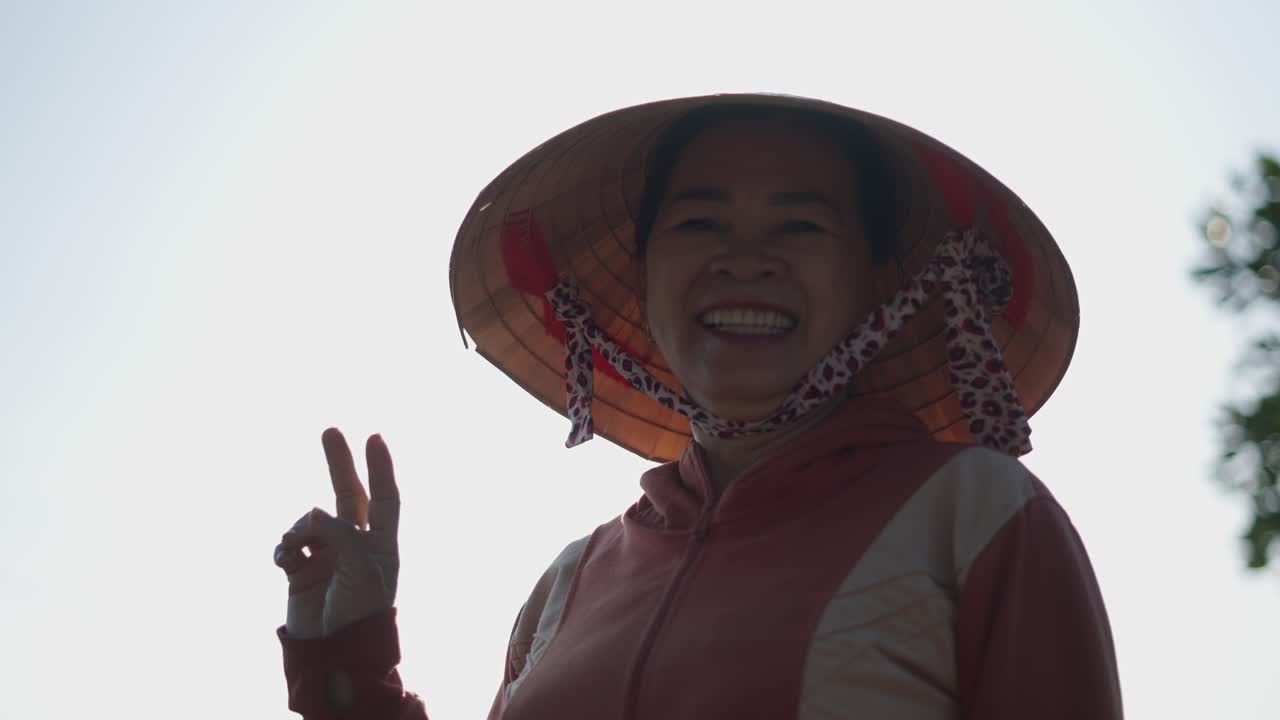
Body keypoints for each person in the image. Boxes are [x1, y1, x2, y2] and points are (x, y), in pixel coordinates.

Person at [272, 94, 1123, 719]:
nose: (745, 259)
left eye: (801, 227)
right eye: (699, 224)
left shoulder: (979, 518)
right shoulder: (569, 582)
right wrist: (349, 662)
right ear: (642, 280)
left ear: (875, 280)